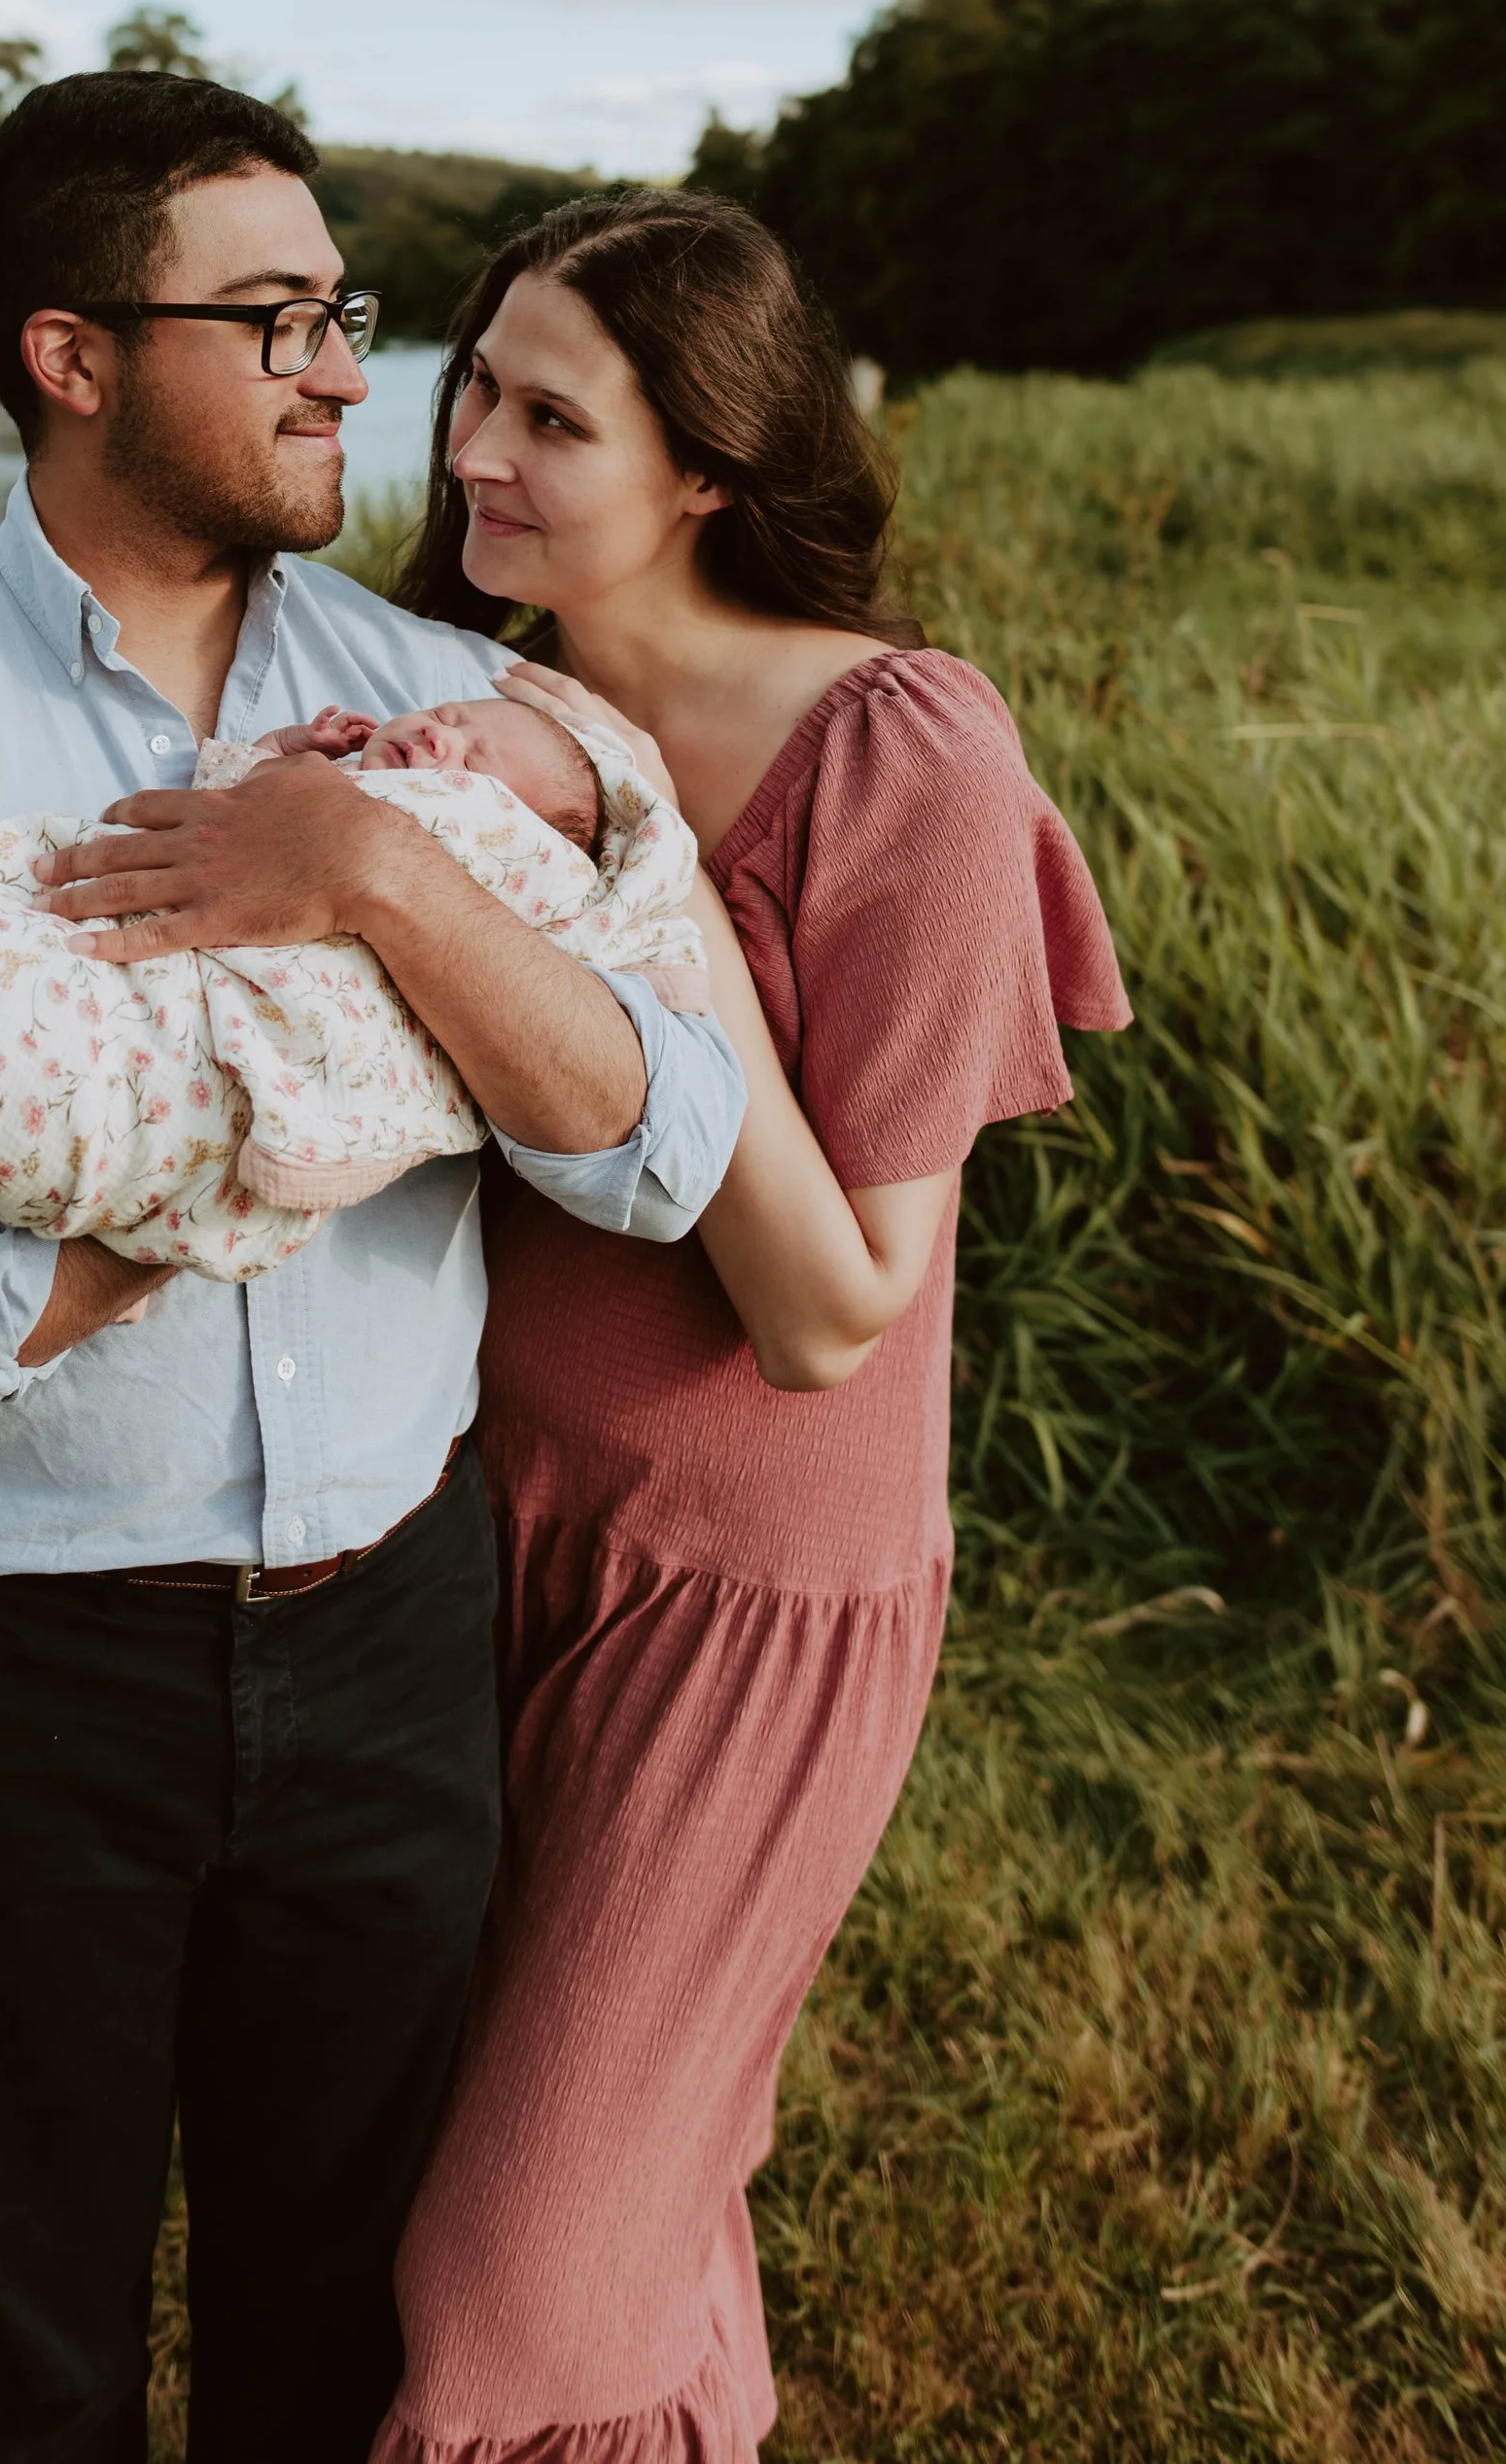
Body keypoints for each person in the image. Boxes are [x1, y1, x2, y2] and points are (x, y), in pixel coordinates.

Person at [0, 78, 745, 2464]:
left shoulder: (450, 725)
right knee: (31, 2342)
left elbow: (667, 1157)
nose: (350, 373)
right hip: (5, 1677)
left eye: (343, 310)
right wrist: (193, 1185)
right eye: (272, 319)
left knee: (335, 2333)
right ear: (68, 356)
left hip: (394, 1640)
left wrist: (382, 880)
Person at [372, 191, 1130, 2464]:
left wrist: (648, 876)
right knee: (593, 2160)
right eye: (472, 387)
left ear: (705, 465)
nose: (472, 450)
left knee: (505, 2283)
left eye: (550, 418)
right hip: (468, 1531)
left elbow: (833, 1310)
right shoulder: (468, 709)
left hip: (741, 1599)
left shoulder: (900, 755)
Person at [0, 688, 703, 1277]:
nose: (443, 739)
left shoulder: (514, 858)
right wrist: (292, 757)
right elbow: (232, 818)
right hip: (175, 956)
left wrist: (383, 858)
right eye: (452, 716)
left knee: (95, 1066)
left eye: (478, 758)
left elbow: (667, 1175)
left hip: (415, 1527)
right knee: (46, 956)